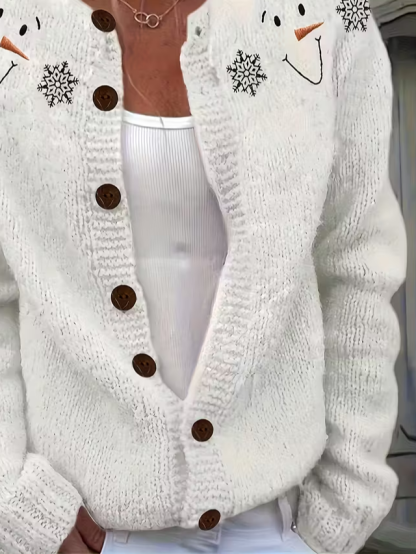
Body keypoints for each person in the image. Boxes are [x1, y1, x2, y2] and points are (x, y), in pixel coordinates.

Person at [0, 0, 408, 553]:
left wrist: (345, 504)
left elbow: (356, 258)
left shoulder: (331, 15)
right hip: (86, 526)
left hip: (283, 525)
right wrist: (19, 506)